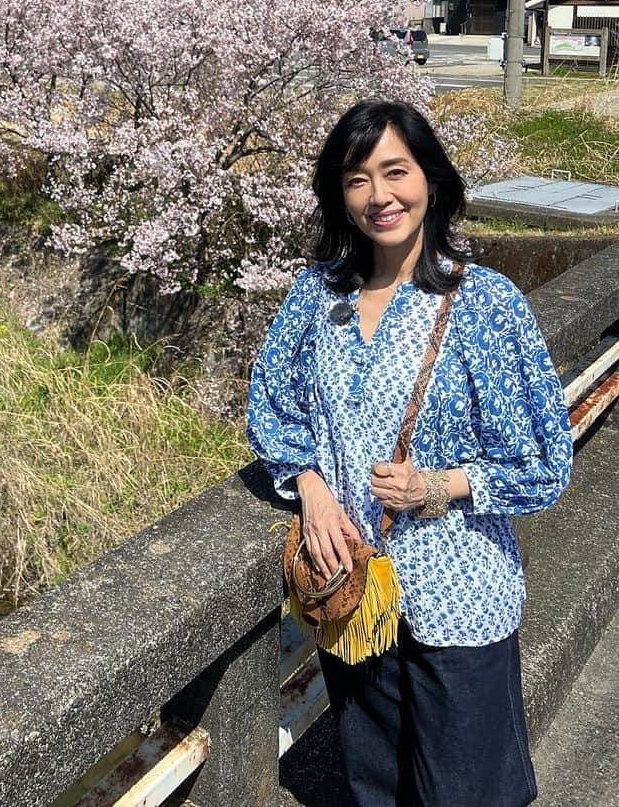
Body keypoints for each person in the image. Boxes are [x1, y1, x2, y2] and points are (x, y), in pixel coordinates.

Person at [247, 99, 572, 807]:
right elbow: (273, 406)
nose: (379, 196)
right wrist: (311, 487)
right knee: (374, 785)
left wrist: (440, 485)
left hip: (461, 592)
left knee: (469, 791)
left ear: (432, 179)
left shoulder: (486, 303)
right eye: (356, 179)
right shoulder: (317, 295)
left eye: (395, 171)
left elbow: (545, 459)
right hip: (355, 591)